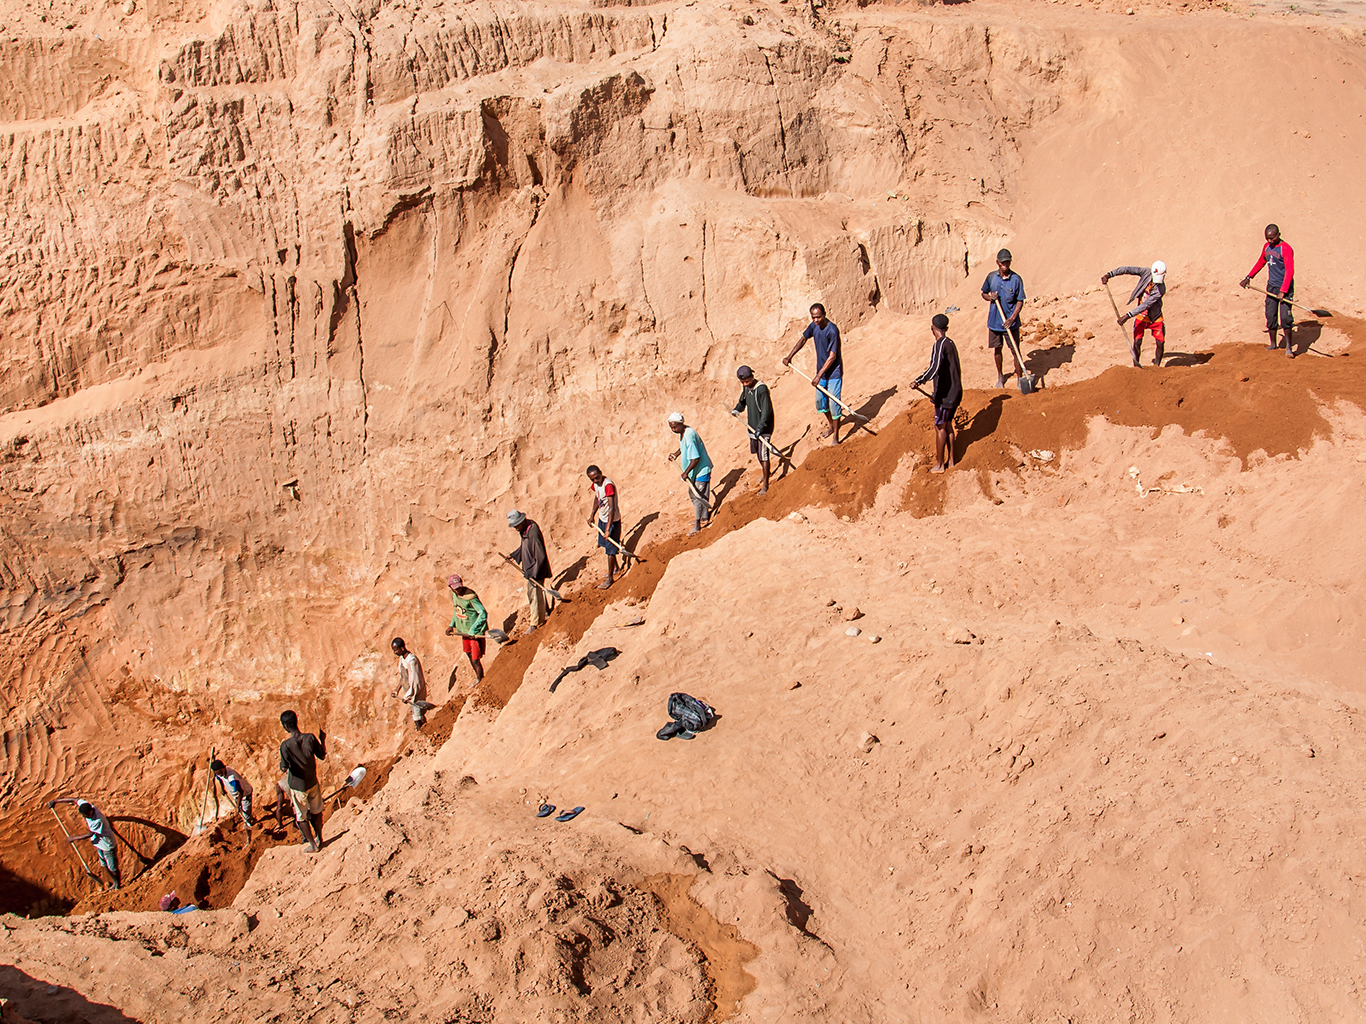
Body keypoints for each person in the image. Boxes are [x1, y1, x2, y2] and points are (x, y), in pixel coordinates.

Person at [783, 303, 845, 444]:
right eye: (813, 317)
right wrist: (790, 356)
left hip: (833, 373)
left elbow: (832, 356)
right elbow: (803, 339)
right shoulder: (814, 326)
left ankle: (836, 436)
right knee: (821, 404)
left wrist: (818, 375)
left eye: (818, 317)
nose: (816, 320)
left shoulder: (832, 330)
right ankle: (831, 425)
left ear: (824, 314)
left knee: (834, 405)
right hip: (821, 373)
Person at [912, 313, 963, 473]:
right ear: (946, 328)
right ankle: (952, 461)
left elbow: (934, 368)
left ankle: (940, 465)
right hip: (955, 392)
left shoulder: (939, 345)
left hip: (945, 396)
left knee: (939, 427)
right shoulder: (950, 343)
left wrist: (919, 380)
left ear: (932, 328)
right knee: (948, 425)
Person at [1241, 223, 1296, 357]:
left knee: (1285, 317)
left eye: (1272, 238)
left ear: (1279, 235)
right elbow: (1261, 261)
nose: (1270, 241)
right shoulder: (1267, 247)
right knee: (1270, 315)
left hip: (1285, 287)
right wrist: (1249, 277)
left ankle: (1289, 347)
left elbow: (1290, 271)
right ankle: (1273, 344)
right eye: (1267, 238)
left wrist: (1283, 290)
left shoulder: (1286, 249)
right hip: (1271, 287)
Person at [278, 709, 326, 853]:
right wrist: (322, 740)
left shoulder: (286, 746)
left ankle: (312, 845)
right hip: (312, 782)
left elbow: (283, 767)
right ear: (296, 721)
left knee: (301, 816)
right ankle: (320, 838)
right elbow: (322, 755)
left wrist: (285, 765)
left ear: (285, 726)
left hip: (298, 786)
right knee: (317, 812)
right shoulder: (310, 738)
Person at [1103, 261, 1167, 367]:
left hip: (1155, 316)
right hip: (1141, 315)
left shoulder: (1161, 289)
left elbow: (1146, 304)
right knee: (1137, 342)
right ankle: (1136, 366)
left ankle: (1157, 366)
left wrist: (1128, 315)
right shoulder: (1145, 272)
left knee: (1160, 342)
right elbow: (1127, 269)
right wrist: (1110, 274)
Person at [50, 798, 120, 889]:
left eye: (86, 815)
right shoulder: (87, 806)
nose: (85, 817)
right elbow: (74, 800)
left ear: (90, 812)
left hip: (107, 845)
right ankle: (114, 882)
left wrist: (73, 838)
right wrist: (55, 801)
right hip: (99, 843)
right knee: (104, 864)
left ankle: (117, 884)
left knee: (112, 868)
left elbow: (90, 834)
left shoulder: (97, 820)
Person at [981, 248, 1026, 388]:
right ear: (997, 263)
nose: (1005, 265)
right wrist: (990, 297)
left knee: (1015, 351)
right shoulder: (991, 277)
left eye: (1008, 262)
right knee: (997, 350)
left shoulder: (1016, 279)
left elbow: (1020, 301)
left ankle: (1020, 379)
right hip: (995, 322)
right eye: (1003, 262)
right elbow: (983, 293)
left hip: (1011, 324)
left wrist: (1012, 318)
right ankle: (1000, 377)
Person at [666, 413, 713, 534]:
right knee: (696, 495)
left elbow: (695, 458)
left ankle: (697, 524)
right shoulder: (682, 433)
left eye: (675, 427)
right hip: (695, 471)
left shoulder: (689, 435)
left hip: (701, 470)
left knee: (697, 496)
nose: (673, 429)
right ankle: (703, 517)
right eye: (671, 427)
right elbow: (683, 447)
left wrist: (686, 472)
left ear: (681, 424)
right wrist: (675, 455)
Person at [731, 365, 774, 493]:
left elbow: (767, 411)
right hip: (752, 427)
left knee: (764, 454)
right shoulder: (746, 388)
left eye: (747, 381)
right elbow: (742, 402)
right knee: (758, 453)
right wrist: (737, 409)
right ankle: (766, 473)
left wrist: (760, 428)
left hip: (763, 428)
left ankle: (765, 484)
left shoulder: (761, 389)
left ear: (752, 376)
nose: (745, 384)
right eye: (743, 382)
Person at [506, 510, 552, 633]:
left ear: (521, 521)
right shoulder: (524, 530)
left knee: (534, 596)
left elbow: (540, 555)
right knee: (536, 594)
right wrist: (514, 555)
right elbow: (524, 546)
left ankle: (535, 623)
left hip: (535, 570)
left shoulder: (533, 532)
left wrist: (533, 573)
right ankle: (545, 612)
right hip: (531, 569)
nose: (515, 528)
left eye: (516, 525)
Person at [445, 574, 488, 683]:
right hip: (464, 632)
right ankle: (478, 678)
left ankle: (480, 680)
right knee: (469, 655)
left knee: (475, 660)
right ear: (451, 587)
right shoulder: (454, 595)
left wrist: (473, 630)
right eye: (455, 588)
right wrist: (451, 625)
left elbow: (482, 613)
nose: (458, 590)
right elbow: (457, 610)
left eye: (459, 587)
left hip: (473, 633)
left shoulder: (470, 597)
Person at [585, 465, 623, 588]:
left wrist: (608, 529)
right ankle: (616, 568)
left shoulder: (608, 485)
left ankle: (610, 578)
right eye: (592, 479)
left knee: (610, 551)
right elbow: (597, 499)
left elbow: (612, 509)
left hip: (611, 521)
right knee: (605, 545)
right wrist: (592, 515)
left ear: (601, 473)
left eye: (597, 477)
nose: (595, 480)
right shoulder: (596, 485)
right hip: (603, 519)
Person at [390, 638, 430, 729]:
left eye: (396, 650)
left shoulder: (412, 660)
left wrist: (408, 695)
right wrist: (397, 690)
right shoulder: (402, 659)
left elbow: (414, 680)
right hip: (409, 692)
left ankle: (424, 732)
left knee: (417, 716)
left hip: (416, 692)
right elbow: (403, 676)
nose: (395, 652)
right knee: (416, 715)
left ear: (402, 648)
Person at [209, 759, 256, 828]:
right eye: (217, 773)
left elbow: (241, 792)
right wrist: (222, 789)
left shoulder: (232, 778)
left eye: (220, 772)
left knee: (245, 811)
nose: (219, 774)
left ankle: (249, 824)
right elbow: (220, 779)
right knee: (241, 810)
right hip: (236, 795)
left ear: (223, 767)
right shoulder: (219, 774)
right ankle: (249, 819)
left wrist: (237, 806)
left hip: (245, 794)